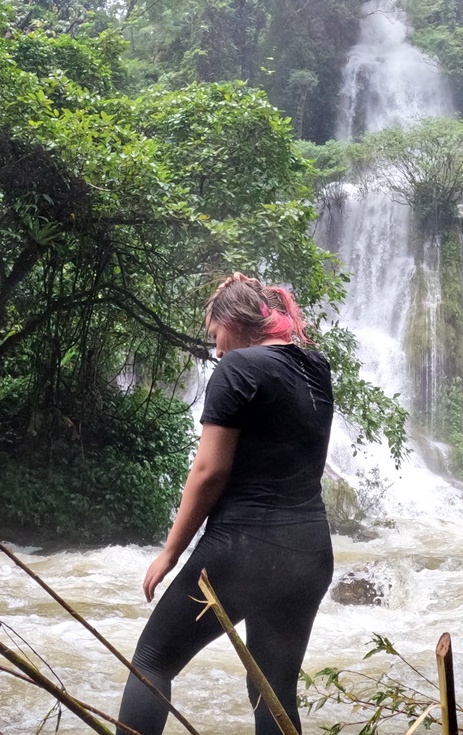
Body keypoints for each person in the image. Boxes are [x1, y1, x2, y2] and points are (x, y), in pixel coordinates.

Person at [117, 273, 335, 735]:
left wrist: (170, 552)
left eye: (215, 336)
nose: (215, 351)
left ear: (234, 323)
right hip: (310, 551)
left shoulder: (238, 370)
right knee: (272, 690)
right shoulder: (315, 369)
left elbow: (208, 472)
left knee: (151, 662)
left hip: (246, 547)